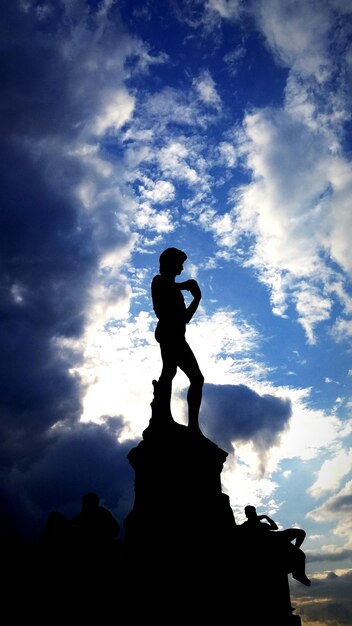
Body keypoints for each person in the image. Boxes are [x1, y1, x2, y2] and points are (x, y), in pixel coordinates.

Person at [151, 247, 204, 434]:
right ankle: (191, 427)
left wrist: (197, 299)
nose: (181, 269)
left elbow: (185, 318)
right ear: (170, 264)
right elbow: (166, 286)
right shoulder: (159, 282)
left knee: (170, 372)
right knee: (195, 378)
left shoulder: (174, 289)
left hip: (176, 334)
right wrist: (185, 285)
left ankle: (169, 418)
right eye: (180, 264)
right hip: (169, 334)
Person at [240, 505, 311, 586]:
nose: (254, 513)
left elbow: (275, 527)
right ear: (247, 514)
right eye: (251, 512)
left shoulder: (262, 524)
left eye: (254, 511)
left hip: (277, 536)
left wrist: (266, 517)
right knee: (300, 552)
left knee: (301, 533)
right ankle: (297, 572)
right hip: (271, 541)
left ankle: (295, 557)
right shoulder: (246, 525)